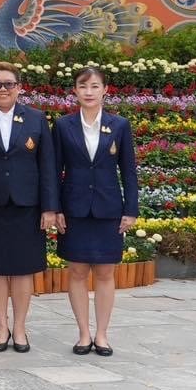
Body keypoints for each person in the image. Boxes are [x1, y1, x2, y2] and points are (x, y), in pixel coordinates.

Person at [0, 61, 58, 354]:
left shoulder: (35, 119)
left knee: (22, 269)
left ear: (20, 88)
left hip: (27, 206)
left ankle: (19, 327)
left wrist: (49, 208)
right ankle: (1, 327)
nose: (3, 89)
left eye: (9, 84)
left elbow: (47, 167)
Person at [54, 66, 138, 357]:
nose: (88, 92)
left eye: (94, 86)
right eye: (82, 86)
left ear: (105, 90)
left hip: (108, 208)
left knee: (105, 272)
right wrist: (54, 209)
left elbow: (128, 171)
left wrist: (131, 210)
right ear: (75, 91)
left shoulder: (119, 125)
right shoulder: (63, 125)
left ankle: (102, 334)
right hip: (74, 208)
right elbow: (54, 171)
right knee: (76, 271)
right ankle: (83, 333)